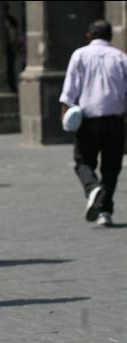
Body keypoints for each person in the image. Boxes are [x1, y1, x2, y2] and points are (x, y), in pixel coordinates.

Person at [60, 19, 127, 227]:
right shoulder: (121, 58)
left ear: (89, 35)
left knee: (83, 162)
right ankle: (104, 211)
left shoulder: (79, 55)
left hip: (88, 122)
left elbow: (69, 93)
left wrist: (65, 116)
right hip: (116, 121)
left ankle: (92, 189)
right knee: (111, 168)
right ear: (110, 36)